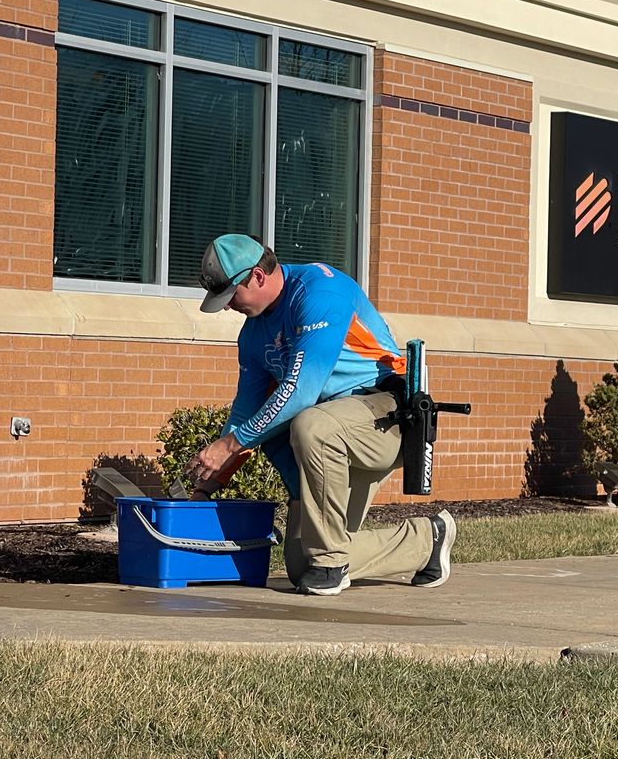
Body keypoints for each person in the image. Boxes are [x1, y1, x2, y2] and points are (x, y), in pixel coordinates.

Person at [185, 233, 455, 597]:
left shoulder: (319, 293)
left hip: (385, 416)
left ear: (258, 277)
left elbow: (302, 389)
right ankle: (427, 540)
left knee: (308, 422)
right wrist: (208, 485)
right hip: (329, 439)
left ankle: (332, 561)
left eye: (232, 295)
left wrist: (232, 443)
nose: (229, 306)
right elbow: (247, 411)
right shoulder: (253, 336)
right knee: (302, 566)